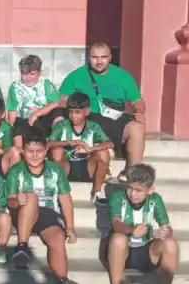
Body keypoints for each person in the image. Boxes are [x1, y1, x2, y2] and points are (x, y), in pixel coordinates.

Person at [6, 126, 82, 284]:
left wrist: (70, 227)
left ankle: (61, 282)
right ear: (23, 151)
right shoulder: (15, 171)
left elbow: (65, 200)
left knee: (57, 237)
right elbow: (9, 201)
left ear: (46, 151)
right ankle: (22, 246)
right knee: (31, 197)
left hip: (48, 213)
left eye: (39, 151)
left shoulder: (56, 170)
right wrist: (17, 201)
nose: (34, 155)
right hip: (23, 212)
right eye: (29, 151)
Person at [102, 164, 183, 284]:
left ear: (150, 189)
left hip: (144, 250)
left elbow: (166, 226)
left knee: (171, 243)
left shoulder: (155, 199)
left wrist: (167, 231)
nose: (133, 194)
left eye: (139, 191)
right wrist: (131, 230)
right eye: (130, 188)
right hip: (120, 251)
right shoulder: (117, 197)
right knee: (118, 239)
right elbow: (116, 223)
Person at [58, 41, 146, 181]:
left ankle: (132, 173)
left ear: (110, 58)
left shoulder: (122, 76)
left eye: (103, 57)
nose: (99, 61)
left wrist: (139, 111)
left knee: (138, 127)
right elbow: (61, 100)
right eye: (94, 57)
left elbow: (137, 101)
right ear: (89, 58)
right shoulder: (76, 75)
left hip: (114, 118)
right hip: (87, 120)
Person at [48, 92, 113, 206]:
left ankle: (97, 192)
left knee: (103, 153)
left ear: (87, 111)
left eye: (78, 112)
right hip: (66, 166)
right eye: (71, 112)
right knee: (56, 150)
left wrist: (90, 149)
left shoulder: (93, 127)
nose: (73, 116)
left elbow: (110, 143)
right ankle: (59, 191)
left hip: (88, 166)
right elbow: (48, 143)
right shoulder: (61, 125)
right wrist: (68, 142)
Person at [6, 55, 66, 145]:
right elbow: (12, 111)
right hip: (25, 121)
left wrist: (38, 113)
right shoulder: (15, 87)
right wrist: (10, 129)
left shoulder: (45, 84)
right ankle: (18, 151)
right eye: (24, 74)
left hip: (43, 119)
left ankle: (56, 142)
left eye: (32, 74)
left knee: (58, 112)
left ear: (39, 72)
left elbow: (57, 103)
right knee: (18, 123)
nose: (28, 77)